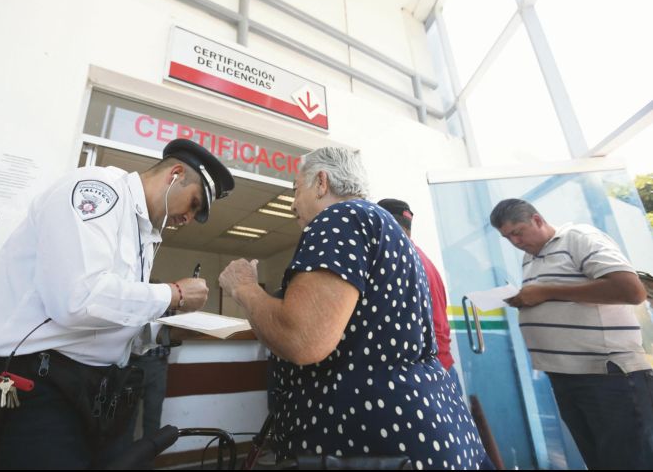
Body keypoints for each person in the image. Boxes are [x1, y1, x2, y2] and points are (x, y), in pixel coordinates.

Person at [0, 138, 234, 469]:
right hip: (28, 387)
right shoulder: (99, 189)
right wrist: (172, 293)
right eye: (193, 204)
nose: (188, 218)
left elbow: (110, 314)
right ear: (175, 175)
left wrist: (165, 322)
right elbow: (77, 300)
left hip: (82, 392)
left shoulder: (142, 234)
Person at [219, 147, 490, 470]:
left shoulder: (340, 217)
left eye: (295, 190)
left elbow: (302, 338)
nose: (293, 204)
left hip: (376, 443)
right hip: (424, 430)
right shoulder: (393, 235)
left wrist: (244, 287)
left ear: (321, 182)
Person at [490, 198, 653, 470]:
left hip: (607, 374)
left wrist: (547, 291)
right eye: (507, 238)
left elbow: (631, 291)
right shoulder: (531, 257)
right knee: (600, 460)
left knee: (629, 459)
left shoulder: (579, 238)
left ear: (537, 220)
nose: (515, 241)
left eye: (518, 232)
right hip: (567, 376)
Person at [377, 198, 463, 393]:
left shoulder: (399, 262)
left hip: (427, 373)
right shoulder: (424, 260)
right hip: (443, 365)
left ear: (381, 223)